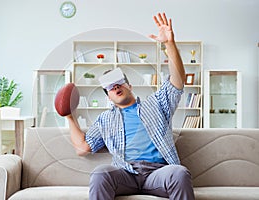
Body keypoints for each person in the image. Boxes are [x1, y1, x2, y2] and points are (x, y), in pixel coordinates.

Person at [66, 12, 195, 200]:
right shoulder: (105, 119)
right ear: (108, 97)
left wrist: (169, 43)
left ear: (129, 85)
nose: (115, 86)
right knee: (100, 174)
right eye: (109, 86)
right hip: (125, 174)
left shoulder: (157, 103)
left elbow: (177, 81)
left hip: (158, 173)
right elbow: (82, 148)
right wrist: (69, 115)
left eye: (119, 81)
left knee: (179, 173)